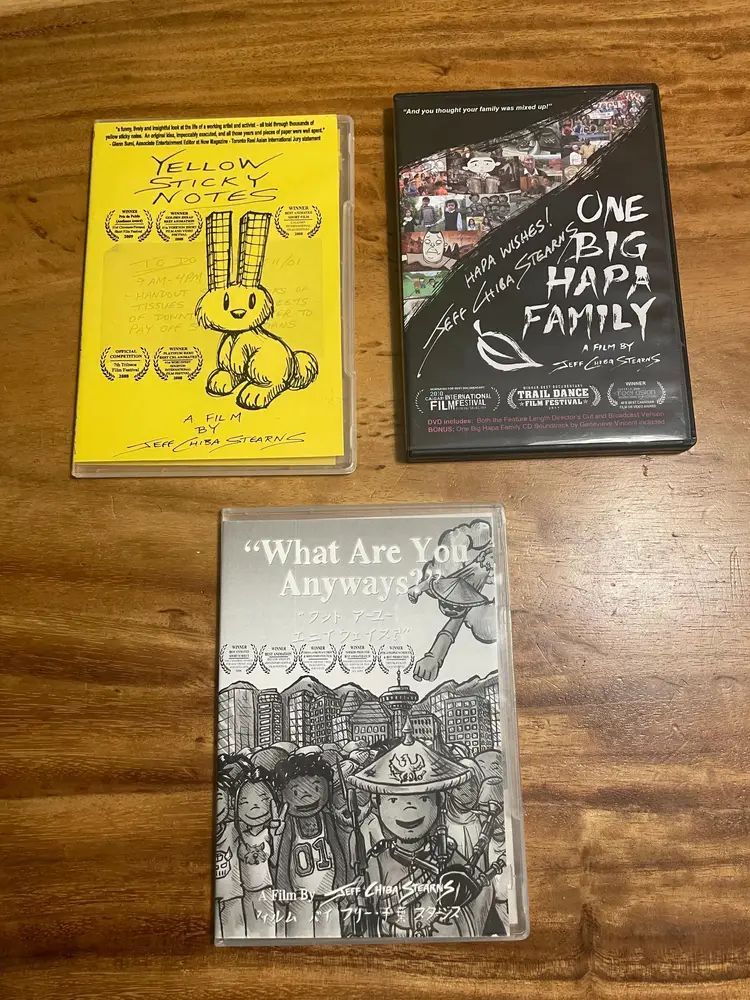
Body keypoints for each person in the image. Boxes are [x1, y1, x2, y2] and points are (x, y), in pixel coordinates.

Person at [345, 721, 495, 938]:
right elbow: (361, 924)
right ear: (377, 803)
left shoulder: (448, 857)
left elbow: (482, 892)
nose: (409, 809)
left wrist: (456, 928)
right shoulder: (376, 863)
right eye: (393, 800)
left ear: (439, 800)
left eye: (424, 798)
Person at [274, 752, 351, 939]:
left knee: (331, 934)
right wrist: (283, 884)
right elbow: (283, 855)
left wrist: (341, 879)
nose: (306, 796)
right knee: (298, 935)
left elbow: (337, 850)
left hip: (328, 891)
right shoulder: (290, 824)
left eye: (316, 788)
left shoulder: (326, 819)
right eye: (295, 792)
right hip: (300, 894)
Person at [235, 772, 279, 938]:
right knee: (250, 930)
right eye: (244, 803)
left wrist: (275, 832)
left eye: (263, 800)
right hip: (245, 889)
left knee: (268, 929)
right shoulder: (239, 835)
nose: (254, 807)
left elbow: (275, 859)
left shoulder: (269, 833)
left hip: (265, 887)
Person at [215, 774, 246, 939]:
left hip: (233, 894)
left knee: (236, 934)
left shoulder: (234, 827)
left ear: (229, 800)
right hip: (209, 898)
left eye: (220, 797)